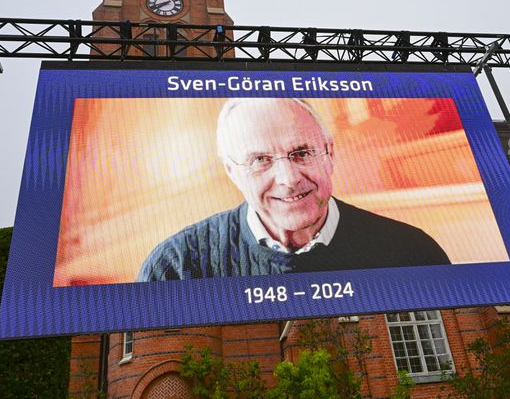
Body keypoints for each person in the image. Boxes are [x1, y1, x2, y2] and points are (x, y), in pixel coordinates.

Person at [137, 98, 450, 281]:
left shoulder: (413, 251)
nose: (288, 178)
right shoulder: (175, 266)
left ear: (329, 153)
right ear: (232, 172)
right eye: (260, 159)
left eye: (302, 152)